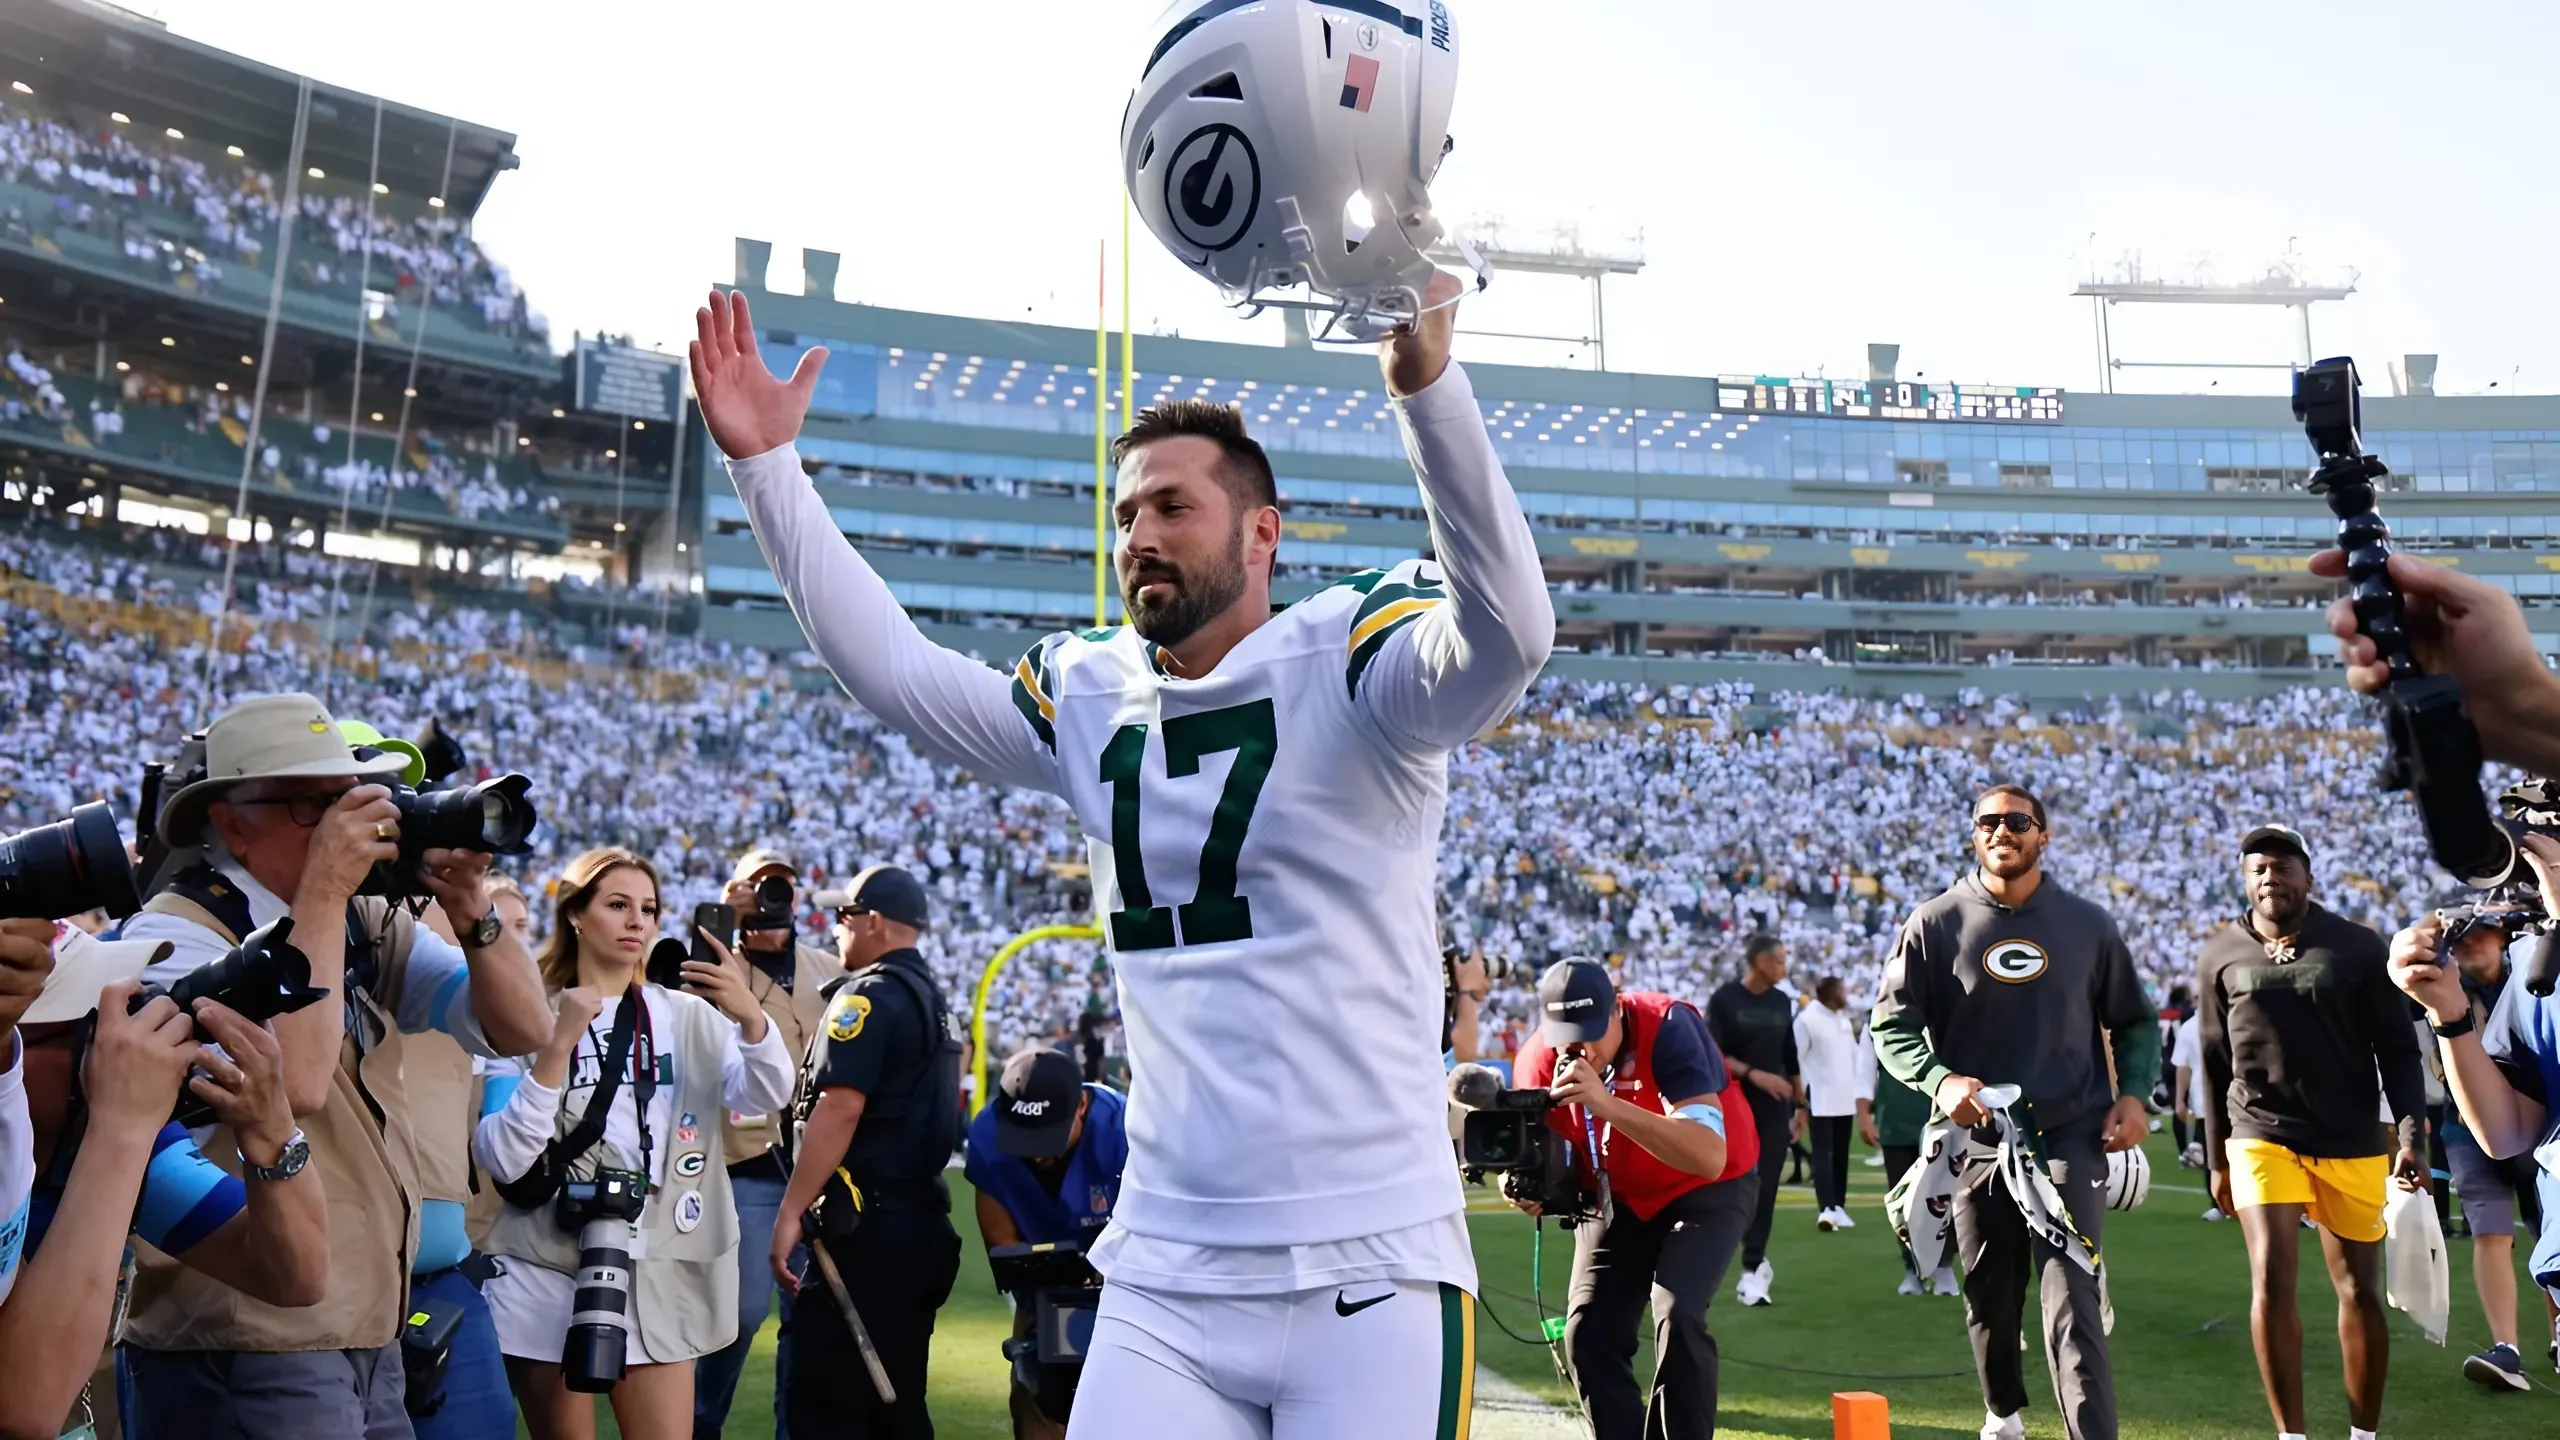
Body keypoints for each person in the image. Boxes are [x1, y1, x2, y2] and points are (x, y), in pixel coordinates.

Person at [697, 262, 1547, 1439]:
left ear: (1261, 532)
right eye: (1125, 514)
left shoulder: (1353, 654)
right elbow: (895, 673)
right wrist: (764, 468)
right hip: (1166, 1260)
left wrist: (1426, 387)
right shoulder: (1091, 688)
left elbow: (1510, 637)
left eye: (1171, 507)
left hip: (1369, 1258)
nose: (1138, 535)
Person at [117, 692, 555, 1440]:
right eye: (311, 804)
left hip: (365, 1320)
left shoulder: (361, 920)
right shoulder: (170, 939)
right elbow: (298, 1085)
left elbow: (520, 1027)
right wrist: (322, 891)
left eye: (347, 797)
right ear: (231, 822)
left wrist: (470, 904)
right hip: (246, 1336)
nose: (343, 822)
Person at [477, 846, 797, 1440]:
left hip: (660, 1263)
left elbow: (765, 1092)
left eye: (648, 909)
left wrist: (751, 1017)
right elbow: (502, 1155)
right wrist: (556, 1047)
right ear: (575, 913)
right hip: (545, 1260)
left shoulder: (686, 1015)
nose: (637, 922)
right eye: (618, 904)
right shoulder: (525, 1017)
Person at [1872, 783, 2159, 1440]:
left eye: (2018, 821)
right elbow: (1890, 1027)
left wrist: (2135, 1093)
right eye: (1988, 822)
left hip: (2068, 1133)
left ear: (2043, 835)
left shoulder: (2089, 924)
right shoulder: (1935, 922)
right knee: (1990, 1297)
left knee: (2072, 1294)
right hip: (1975, 1144)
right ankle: (2003, 1414)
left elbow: (2136, 1020)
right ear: (1975, 835)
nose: (2003, 831)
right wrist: (1939, 1081)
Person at [2197, 823, 2426, 1440]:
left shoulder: (2356, 946)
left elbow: (2399, 1051)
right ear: (2246, 881)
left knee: (2358, 1288)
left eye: (2282, 866)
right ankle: (2290, 1434)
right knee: (2271, 1272)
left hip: (2349, 1135)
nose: (2270, 876)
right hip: (2258, 1134)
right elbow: (2215, 1061)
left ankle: (2363, 1433)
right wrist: (2217, 1157)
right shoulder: (2219, 953)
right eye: (2258, 869)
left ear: (2308, 876)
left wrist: (2410, 1136)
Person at [1509, 958, 1753, 1440]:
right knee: (1588, 1331)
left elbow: (1707, 1156)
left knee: (1678, 1312)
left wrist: (1605, 1104)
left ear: (1619, 1008)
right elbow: (1535, 1153)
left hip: (1706, 1187)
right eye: (1565, 1035)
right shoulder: (1537, 1060)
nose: (1579, 1049)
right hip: (1618, 1193)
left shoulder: (1669, 1026)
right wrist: (1525, 1184)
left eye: (1590, 1032)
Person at [769, 864, 963, 1440]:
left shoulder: (869, 996)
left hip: (867, 1234)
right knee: (895, 1408)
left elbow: (841, 1106)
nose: (835, 928)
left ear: (874, 922)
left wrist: (790, 1211)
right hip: (915, 1223)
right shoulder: (931, 997)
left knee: (827, 1406)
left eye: (845, 916)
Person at [695, 849, 834, 1440]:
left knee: (810, 1325)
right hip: (748, 1165)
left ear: (798, 897)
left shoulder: (827, 967)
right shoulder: (714, 966)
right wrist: (722, 924)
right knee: (744, 1309)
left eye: (780, 887)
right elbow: (686, 1012)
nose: (769, 898)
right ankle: (695, 1421)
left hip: (820, 1168)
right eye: (756, 887)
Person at [964, 1046, 1130, 1440]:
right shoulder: (989, 1136)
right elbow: (1002, 1243)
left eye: (1048, 1137)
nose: (1038, 1155)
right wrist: (1041, 1273)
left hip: (1125, 1287)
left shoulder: (1125, 1128)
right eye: (1027, 1140)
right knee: (1037, 1392)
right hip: (1042, 1285)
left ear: (1082, 1106)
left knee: (1128, 1398)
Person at [2436, 921, 2560, 1391]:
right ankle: (2506, 1347)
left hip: (2542, 1127)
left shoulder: (2539, 961)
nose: (2468, 944)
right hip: (2468, 1125)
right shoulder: (2448, 979)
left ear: (2504, 933)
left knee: (2546, 1226)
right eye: (2461, 936)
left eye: (2478, 934)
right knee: (2490, 1230)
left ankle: (2555, 1334)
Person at [1707, 934, 1802, 1306]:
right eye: (1779, 961)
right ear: (1759, 962)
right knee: (1731, 1186)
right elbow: (1714, 1053)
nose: (1784, 968)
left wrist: (1801, 1104)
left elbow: (1790, 1054)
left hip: (1776, 1111)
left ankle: (1753, 1266)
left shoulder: (1781, 1001)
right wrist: (1755, 1075)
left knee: (1766, 1188)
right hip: (1735, 1107)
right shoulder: (1725, 999)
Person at [1793, 974, 1871, 1233]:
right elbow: (1797, 1060)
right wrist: (1800, 1099)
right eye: (1841, 991)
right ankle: (1826, 1208)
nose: (1845, 995)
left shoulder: (1842, 1020)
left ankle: (1839, 1207)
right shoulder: (1807, 1020)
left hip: (1844, 1097)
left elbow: (1855, 1056)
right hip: (1820, 1097)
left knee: (1841, 1156)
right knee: (1822, 1154)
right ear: (1828, 993)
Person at [1869, 1038, 1944, 1296]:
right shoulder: (1879, 1019)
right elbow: (1865, 1070)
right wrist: (1862, 1114)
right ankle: (1913, 1269)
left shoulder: (1944, 1010)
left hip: (1941, 1121)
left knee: (1943, 1197)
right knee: (1905, 1201)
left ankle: (1943, 1266)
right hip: (1895, 1123)